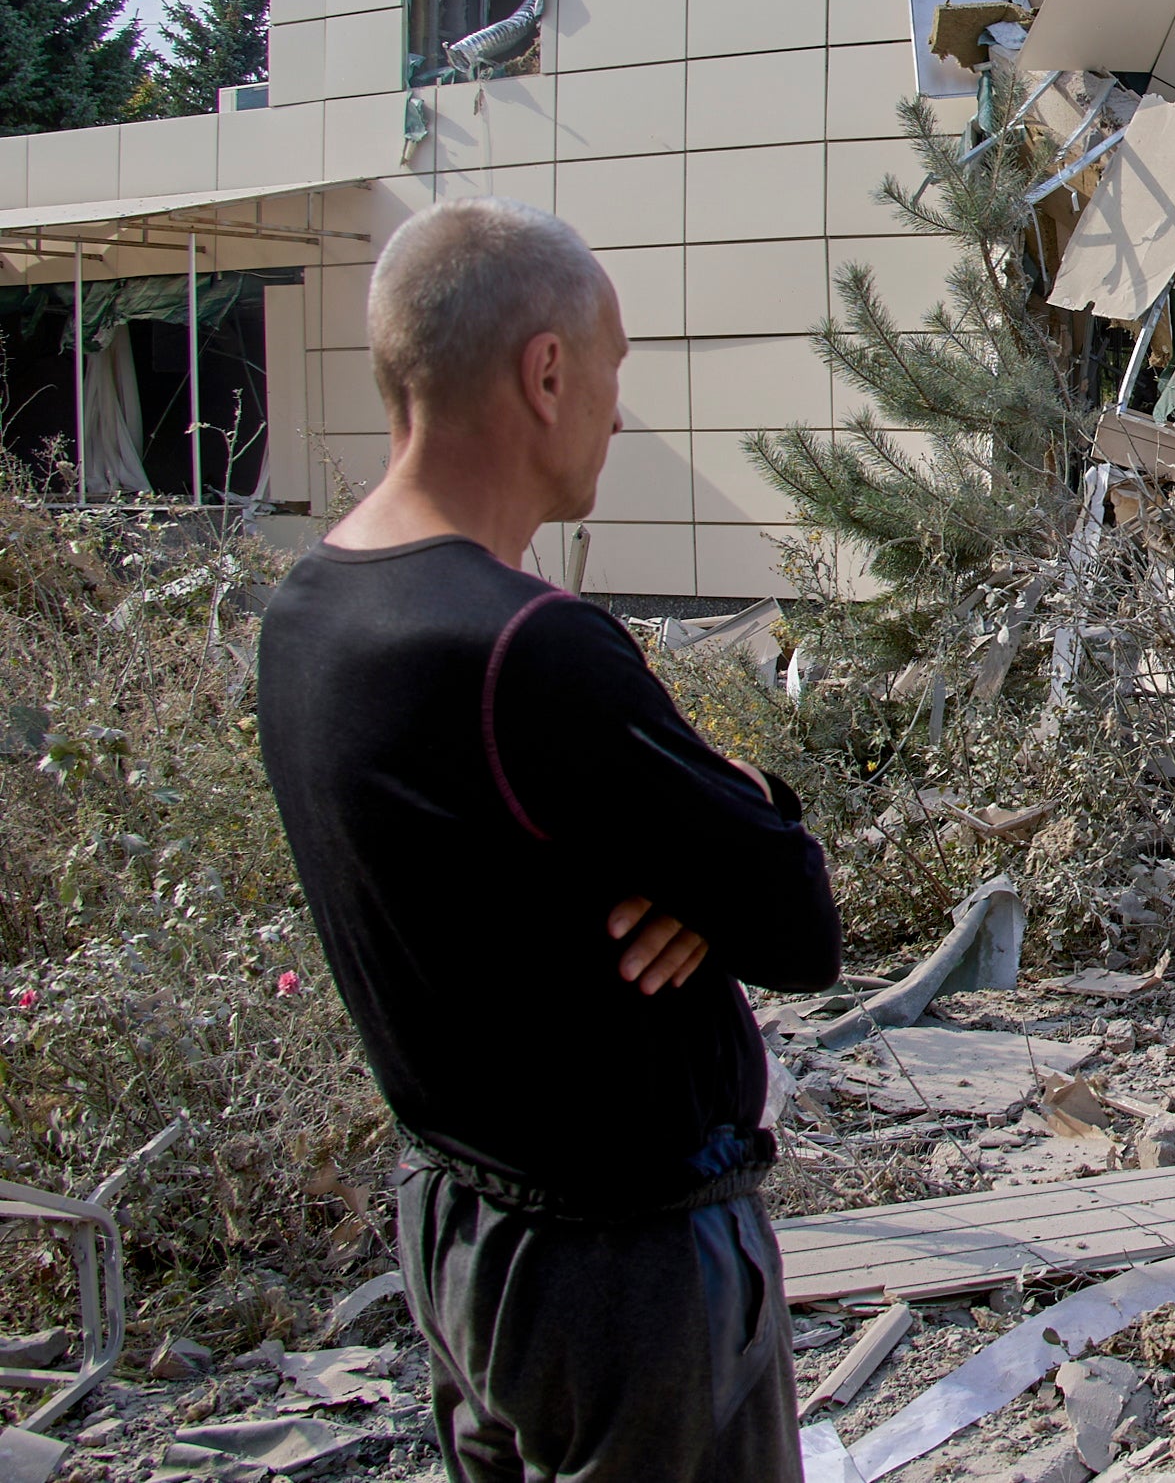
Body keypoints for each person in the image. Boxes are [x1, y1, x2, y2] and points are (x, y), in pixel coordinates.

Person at [259, 197, 839, 1483]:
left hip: (465, 1241)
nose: (620, 412)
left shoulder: (308, 613)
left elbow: (519, 869)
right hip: (625, 1279)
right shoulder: (525, 649)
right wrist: (729, 820)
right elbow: (798, 921)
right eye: (616, 367)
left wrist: (703, 842)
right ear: (547, 370)